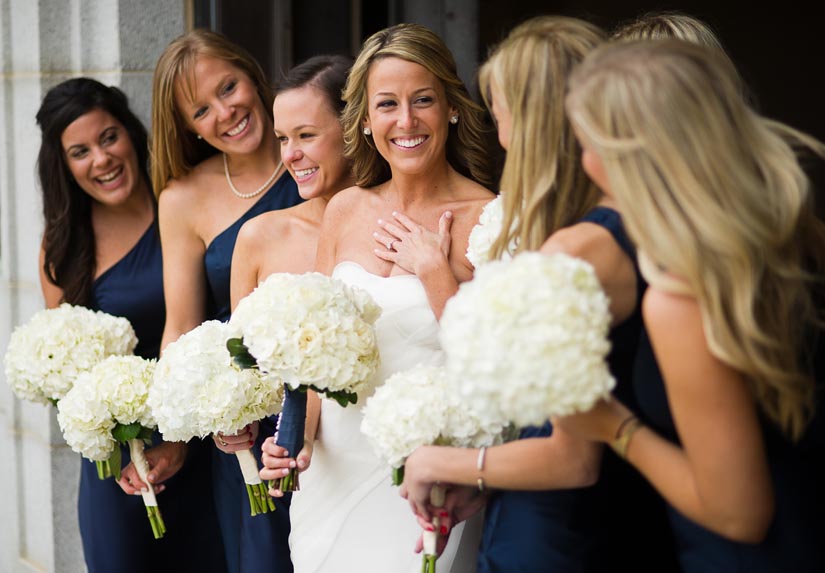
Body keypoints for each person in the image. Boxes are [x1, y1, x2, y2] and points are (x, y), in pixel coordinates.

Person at [398, 16, 677, 572]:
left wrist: (440, 461)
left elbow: (573, 459)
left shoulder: (576, 252)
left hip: (558, 535)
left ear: (532, 121)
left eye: (499, 112)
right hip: (623, 515)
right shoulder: (650, 224)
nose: (498, 132)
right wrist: (484, 481)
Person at [558, 39, 825, 571]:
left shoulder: (681, 297)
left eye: (587, 143)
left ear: (629, 156)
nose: (585, 163)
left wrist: (611, 424)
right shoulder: (802, 232)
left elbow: (739, 514)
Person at [273, 23, 493, 572]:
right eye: (387, 105)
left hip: (427, 479)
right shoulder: (345, 209)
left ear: (452, 108)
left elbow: (497, 366)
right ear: (366, 122)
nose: (406, 121)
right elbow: (316, 353)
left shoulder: (493, 217)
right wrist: (295, 436)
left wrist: (434, 272)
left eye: (423, 101)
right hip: (330, 476)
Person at [117, 29, 302, 573]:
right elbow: (181, 327)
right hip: (244, 428)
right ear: (188, 126)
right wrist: (175, 434)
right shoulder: (182, 198)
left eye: (229, 87)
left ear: (253, 75)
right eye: (202, 109)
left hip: (331, 404)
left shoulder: (318, 157)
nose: (226, 112)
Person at [35, 78, 226, 572]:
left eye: (108, 137)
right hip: (120, 468)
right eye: (80, 151)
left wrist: (180, 440)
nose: (101, 159)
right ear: (64, 165)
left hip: (206, 445)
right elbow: (64, 365)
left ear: (132, 133)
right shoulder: (63, 248)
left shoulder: (184, 202)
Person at [230, 54, 352, 491]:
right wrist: (232, 422)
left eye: (306, 135)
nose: (291, 154)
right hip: (283, 462)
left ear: (353, 128)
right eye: (283, 138)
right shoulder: (260, 237)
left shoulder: (393, 231)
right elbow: (242, 371)